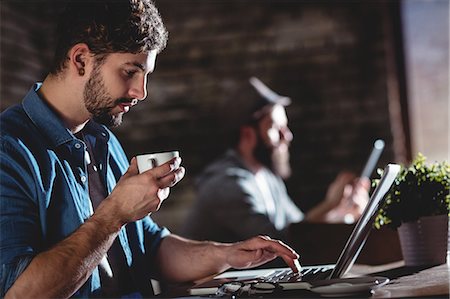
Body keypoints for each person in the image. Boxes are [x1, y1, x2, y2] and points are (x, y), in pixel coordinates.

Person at [0, 1, 301, 298]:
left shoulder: (102, 139)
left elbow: (149, 245)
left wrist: (228, 255)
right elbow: (21, 294)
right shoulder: (9, 150)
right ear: (80, 59)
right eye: (130, 71)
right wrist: (114, 215)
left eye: (146, 74)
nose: (140, 92)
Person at [182, 77, 370, 243]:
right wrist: (329, 204)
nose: (287, 136)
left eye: (285, 127)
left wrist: (342, 211)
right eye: (275, 128)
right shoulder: (226, 185)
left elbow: (298, 226)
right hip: (210, 284)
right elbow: (279, 244)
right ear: (248, 134)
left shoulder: (267, 177)